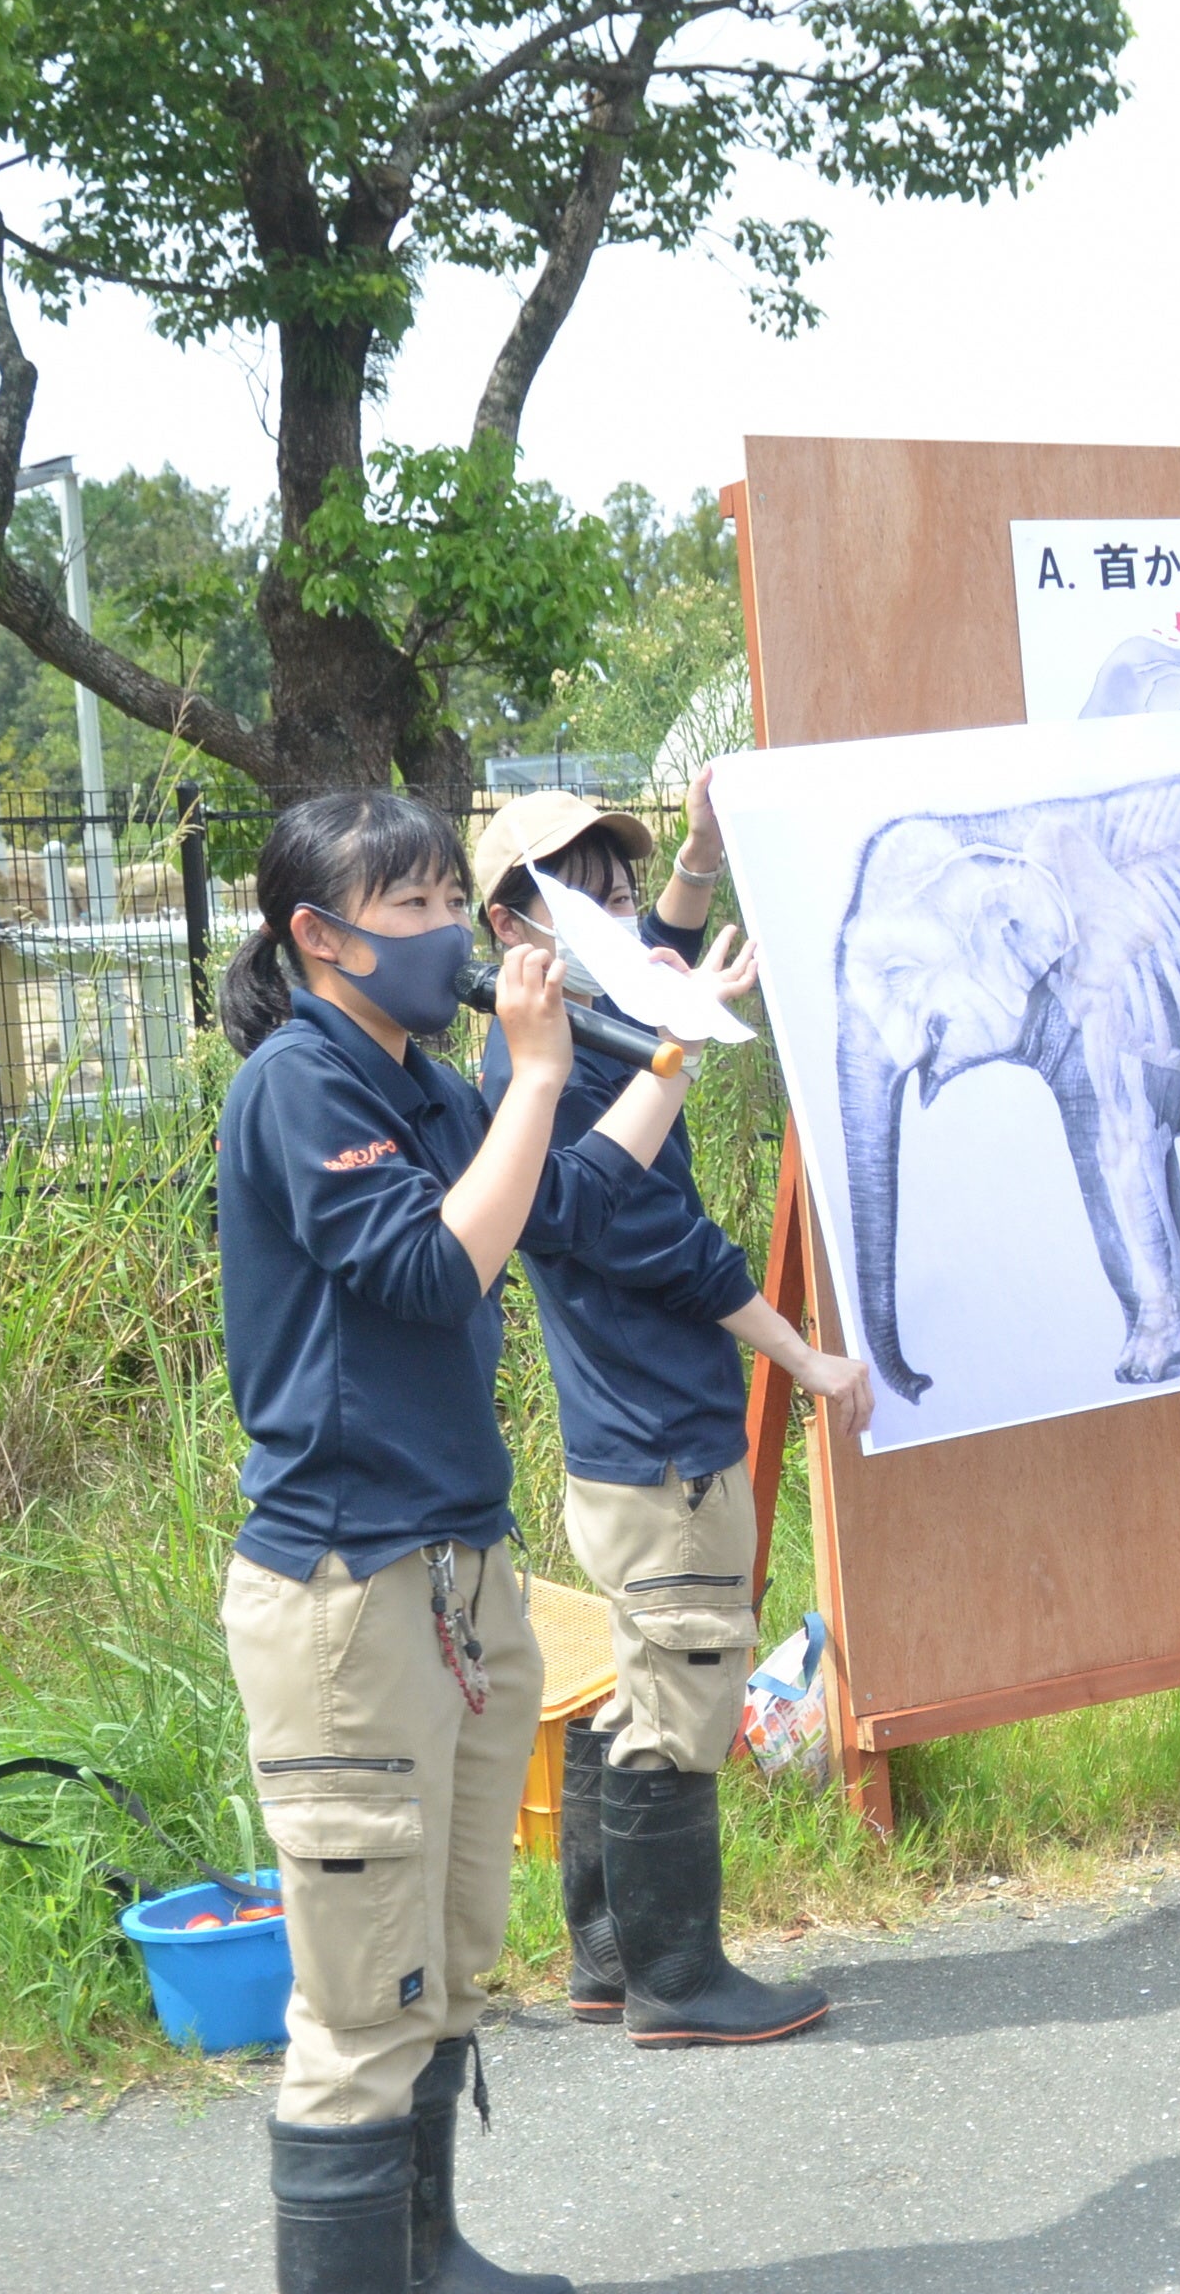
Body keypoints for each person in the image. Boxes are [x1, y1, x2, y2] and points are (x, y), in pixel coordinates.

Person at [218, 791, 697, 2294]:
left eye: (446, 902)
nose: (450, 937)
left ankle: (424, 2257)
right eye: (416, 910)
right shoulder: (304, 1086)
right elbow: (432, 1274)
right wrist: (538, 1073)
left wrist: (670, 1052)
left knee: (447, 1951)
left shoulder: (420, 1077)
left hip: (459, 1574)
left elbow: (561, 1207)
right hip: (348, 1591)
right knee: (364, 1995)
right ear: (321, 937)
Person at [473, 772, 865, 2052]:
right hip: (660, 1439)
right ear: (511, 932)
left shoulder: (573, 1025)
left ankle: (607, 1958)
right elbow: (667, 1240)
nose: (628, 922)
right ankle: (677, 1983)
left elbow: (656, 972)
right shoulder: (566, 1070)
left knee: (643, 1678)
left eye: (626, 892)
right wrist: (806, 1359)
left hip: (623, 1432)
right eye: (589, 903)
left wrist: (695, 861)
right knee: (689, 1685)